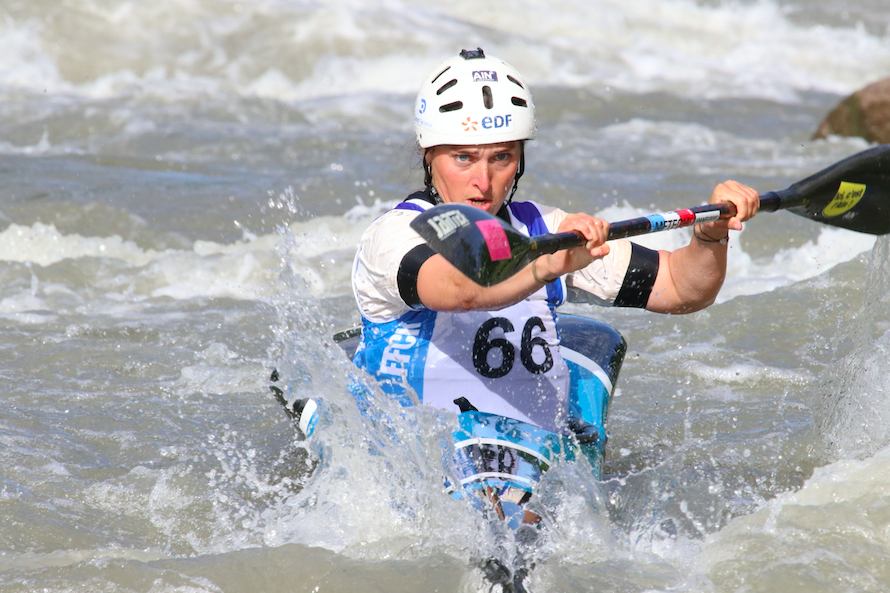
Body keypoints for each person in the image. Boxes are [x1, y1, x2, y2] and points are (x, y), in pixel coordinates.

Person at [350, 48, 759, 437]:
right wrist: (547, 266)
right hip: (424, 458)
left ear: (519, 159)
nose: (483, 181)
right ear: (428, 154)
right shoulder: (394, 236)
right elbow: (463, 291)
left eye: (501, 158)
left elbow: (682, 289)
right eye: (463, 158)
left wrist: (709, 235)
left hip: (531, 454)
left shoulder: (543, 226)